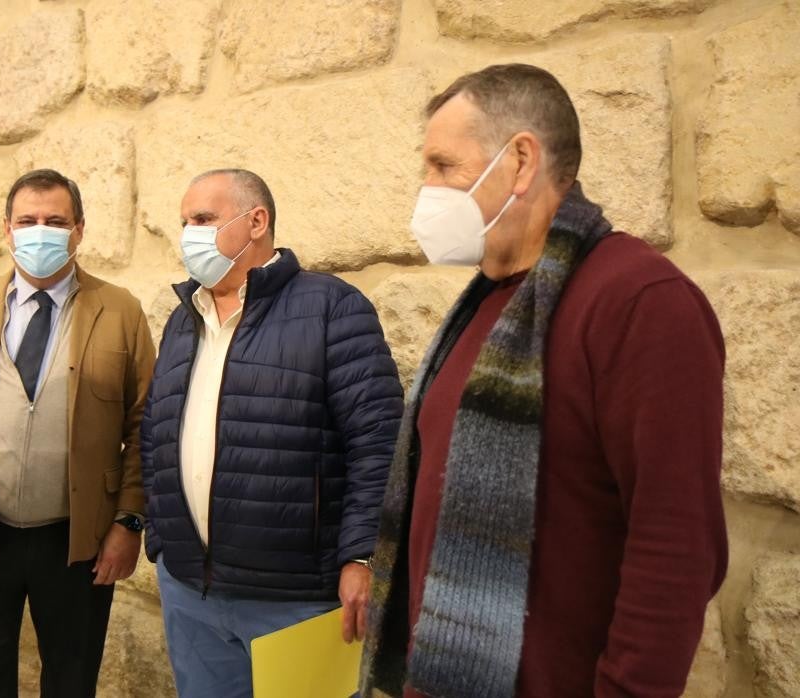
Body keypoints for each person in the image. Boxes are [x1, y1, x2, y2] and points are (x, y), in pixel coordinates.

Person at [359, 64, 728, 698]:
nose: (427, 188)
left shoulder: (639, 301)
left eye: (443, 166)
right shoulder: (488, 305)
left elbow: (676, 546)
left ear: (522, 160)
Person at [142, 168, 403, 697]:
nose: (189, 233)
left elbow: (378, 443)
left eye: (203, 219)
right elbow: (155, 434)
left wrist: (363, 557)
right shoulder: (182, 318)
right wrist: (162, 542)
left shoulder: (331, 307)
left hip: (296, 596)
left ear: (256, 221)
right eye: (184, 221)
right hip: (191, 592)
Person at [0, 169, 156, 698]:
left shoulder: (121, 312)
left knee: (72, 682)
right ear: (6, 229)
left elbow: (145, 429)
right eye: (27, 221)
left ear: (79, 231)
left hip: (78, 541)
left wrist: (129, 523)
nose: (40, 232)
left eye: (56, 221)